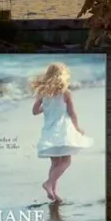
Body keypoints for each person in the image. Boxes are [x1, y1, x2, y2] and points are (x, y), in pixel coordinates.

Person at [31, 62, 93, 203]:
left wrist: (45, 109)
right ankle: (48, 184)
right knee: (66, 161)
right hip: (63, 130)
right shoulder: (66, 93)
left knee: (55, 163)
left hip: (49, 130)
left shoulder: (42, 93)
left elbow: (34, 111)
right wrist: (77, 128)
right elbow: (72, 112)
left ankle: (53, 192)